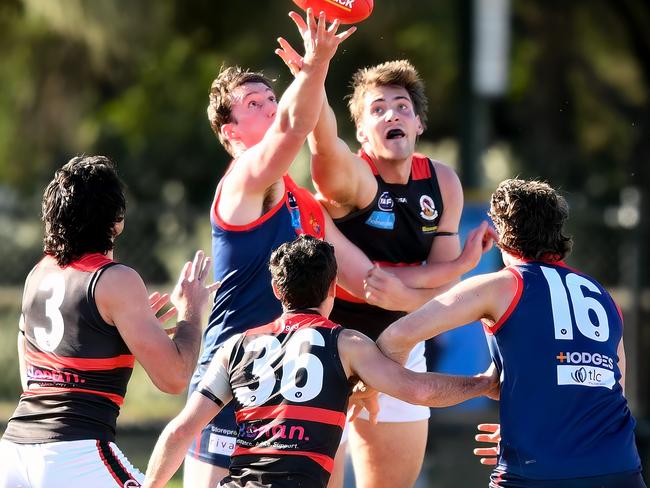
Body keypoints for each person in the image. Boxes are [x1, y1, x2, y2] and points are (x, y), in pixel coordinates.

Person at [275, 29, 494, 485]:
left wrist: (405, 293)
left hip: (400, 348)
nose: (392, 114)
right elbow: (323, 145)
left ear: (418, 125)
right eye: (378, 109)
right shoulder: (355, 179)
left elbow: (442, 294)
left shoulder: (443, 182)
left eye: (402, 107)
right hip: (327, 350)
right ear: (361, 132)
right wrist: (316, 71)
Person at [185, 10, 378, 488]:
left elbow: (370, 281)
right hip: (230, 378)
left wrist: (456, 282)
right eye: (252, 103)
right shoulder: (245, 181)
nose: (269, 105)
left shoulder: (303, 202)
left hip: (291, 382)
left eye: (271, 97)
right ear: (230, 131)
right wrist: (315, 67)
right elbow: (293, 129)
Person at [144, 235, 497, 488]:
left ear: (277, 291)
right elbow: (418, 390)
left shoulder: (236, 346)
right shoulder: (347, 344)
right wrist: (483, 383)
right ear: (332, 290)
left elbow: (180, 430)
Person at [376, 179, 646, 487]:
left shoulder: (502, 285)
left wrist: (372, 392)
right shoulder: (603, 297)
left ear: (501, 235)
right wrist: (538, 427)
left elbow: (395, 337)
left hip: (537, 475)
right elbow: (607, 392)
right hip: (619, 470)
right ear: (558, 231)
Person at [0, 155, 219, 488]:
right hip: (74, 455)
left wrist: (119, 331)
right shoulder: (116, 280)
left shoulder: (37, 275)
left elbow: (32, 376)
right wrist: (191, 312)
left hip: (13, 451)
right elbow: (174, 378)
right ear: (117, 220)